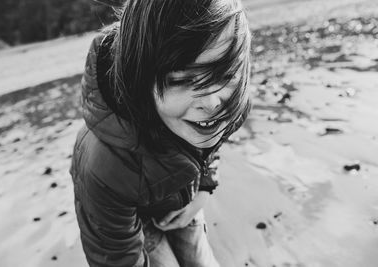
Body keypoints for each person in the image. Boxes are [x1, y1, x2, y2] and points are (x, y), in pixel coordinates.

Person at [69, 0, 251, 266]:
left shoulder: (230, 104)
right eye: (183, 79)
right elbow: (116, 257)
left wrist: (204, 189)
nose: (212, 103)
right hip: (132, 217)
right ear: (139, 79)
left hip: (181, 194)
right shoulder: (104, 165)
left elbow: (210, 147)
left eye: (225, 73)